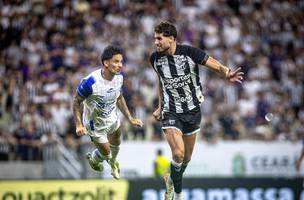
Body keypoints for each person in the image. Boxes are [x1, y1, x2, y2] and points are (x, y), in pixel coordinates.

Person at [150, 21, 243, 200]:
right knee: (178, 153)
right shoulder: (155, 59)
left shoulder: (190, 53)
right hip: (171, 111)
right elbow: (161, 82)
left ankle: (171, 179)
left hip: (193, 111)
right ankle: (177, 194)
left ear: (172, 38)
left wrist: (226, 72)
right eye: (155, 38)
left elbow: (212, 63)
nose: (156, 42)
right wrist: (161, 106)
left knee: (186, 159)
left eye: (159, 38)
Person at [73, 45, 143, 179]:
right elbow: (76, 102)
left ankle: (112, 164)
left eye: (121, 61)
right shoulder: (90, 82)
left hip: (111, 117)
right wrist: (79, 125)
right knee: (106, 152)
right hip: (95, 124)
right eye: (116, 61)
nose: (120, 65)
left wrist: (130, 118)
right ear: (106, 63)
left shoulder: (119, 78)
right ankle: (96, 159)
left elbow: (119, 97)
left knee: (117, 142)